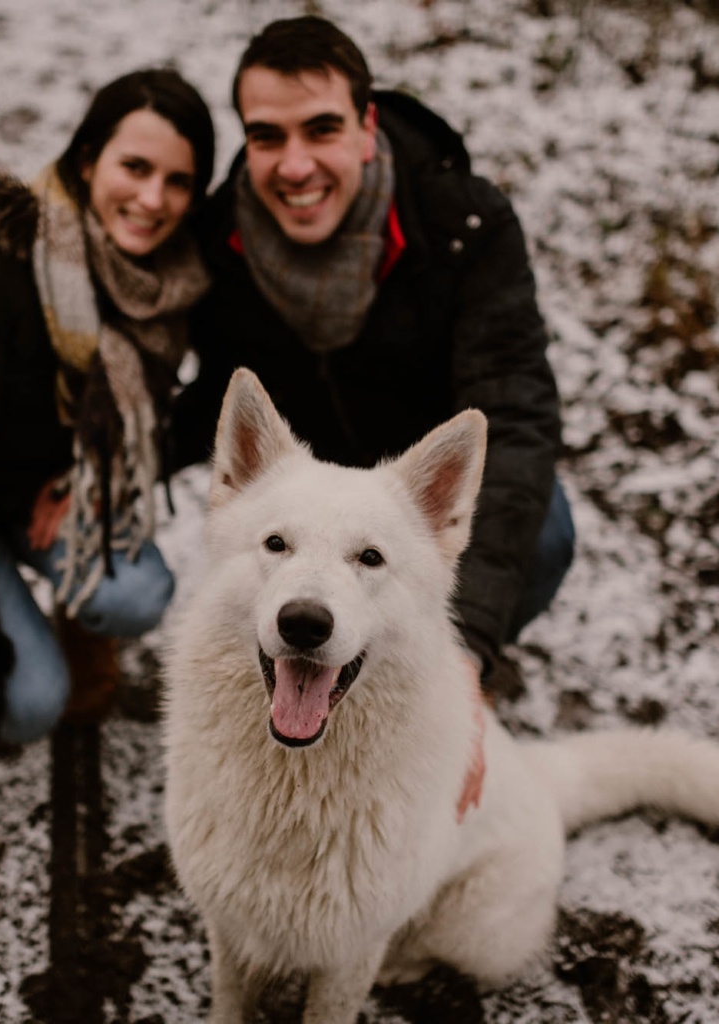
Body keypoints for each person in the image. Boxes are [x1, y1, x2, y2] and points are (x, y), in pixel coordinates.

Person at [173, 16, 574, 697]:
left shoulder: (464, 226)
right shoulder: (219, 237)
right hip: (306, 484)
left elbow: (511, 413)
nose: (294, 166)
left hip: (413, 484)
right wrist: (95, 468)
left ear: (366, 126)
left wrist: (470, 642)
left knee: (541, 536)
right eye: (267, 136)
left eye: (321, 129)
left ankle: (426, 659)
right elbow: (213, 386)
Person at [0, 69, 216, 782]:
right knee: (28, 703)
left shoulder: (168, 283)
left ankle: (69, 624)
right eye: (135, 167)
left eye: (178, 181)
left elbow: (187, 415)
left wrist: (82, 480)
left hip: (39, 494)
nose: (153, 200)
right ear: (88, 161)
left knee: (138, 593)